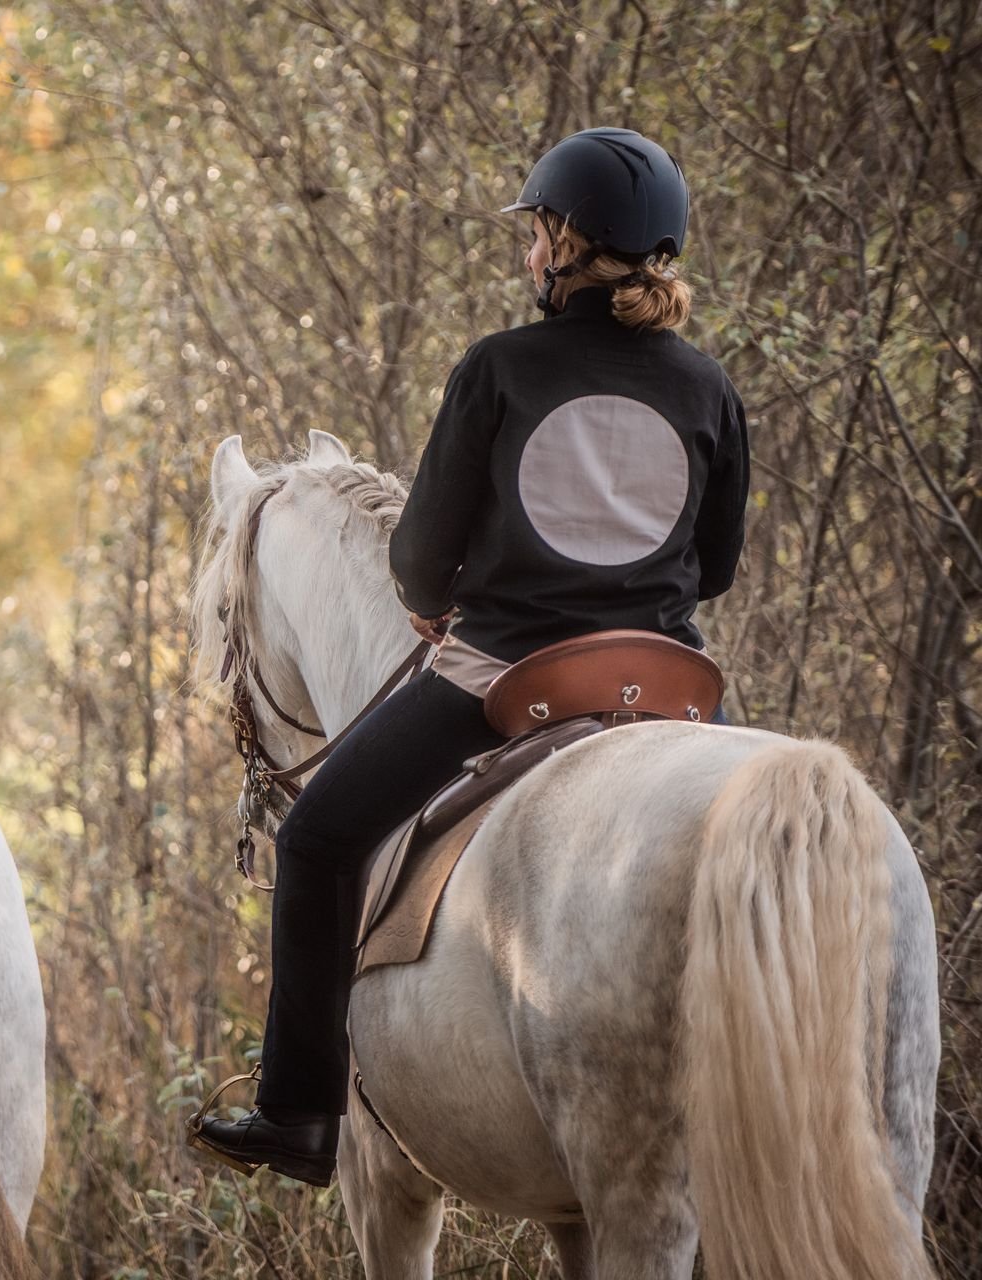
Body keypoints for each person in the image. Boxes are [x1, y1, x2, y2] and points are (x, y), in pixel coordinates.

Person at [192, 128, 750, 1186]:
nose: (530, 250)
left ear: (563, 245)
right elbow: (714, 565)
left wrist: (437, 601)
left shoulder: (499, 366)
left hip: (509, 679)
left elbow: (418, 561)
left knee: (314, 839)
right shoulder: (707, 385)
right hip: (668, 685)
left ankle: (300, 1114)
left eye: (537, 232)